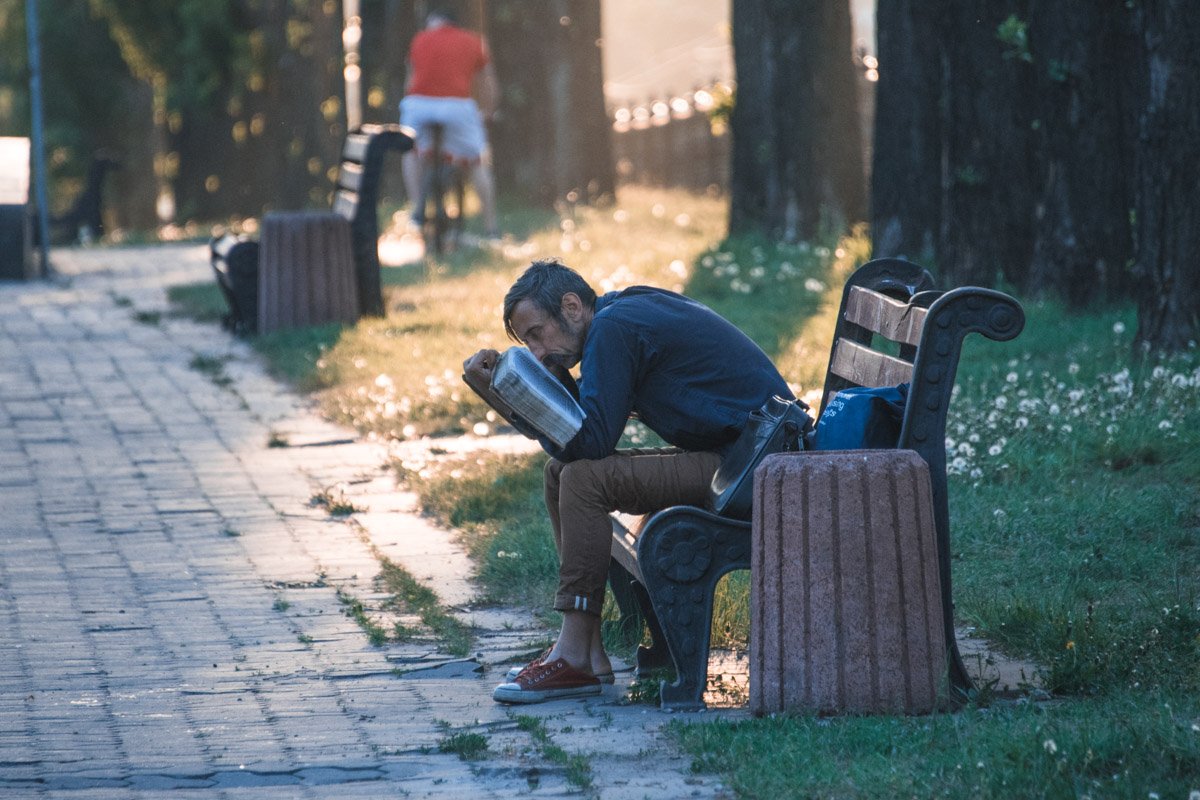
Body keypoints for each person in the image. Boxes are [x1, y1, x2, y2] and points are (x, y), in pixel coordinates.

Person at [464, 259, 792, 704]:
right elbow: (582, 433)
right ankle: (587, 651)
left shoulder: (614, 329)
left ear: (571, 306)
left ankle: (574, 656)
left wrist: (506, 397)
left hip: (748, 467)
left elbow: (591, 443)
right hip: (739, 458)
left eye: (538, 333)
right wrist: (514, 390)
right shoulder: (615, 318)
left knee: (583, 480)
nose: (536, 353)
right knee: (560, 473)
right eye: (528, 344)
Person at [400, 9, 499, 238]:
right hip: (457, 106)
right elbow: (488, 81)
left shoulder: (420, 38)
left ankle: (417, 210)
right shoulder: (473, 41)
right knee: (477, 160)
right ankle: (491, 227)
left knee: (410, 151)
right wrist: (488, 112)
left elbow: (409, 81)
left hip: (418, 104)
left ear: (434, 22)